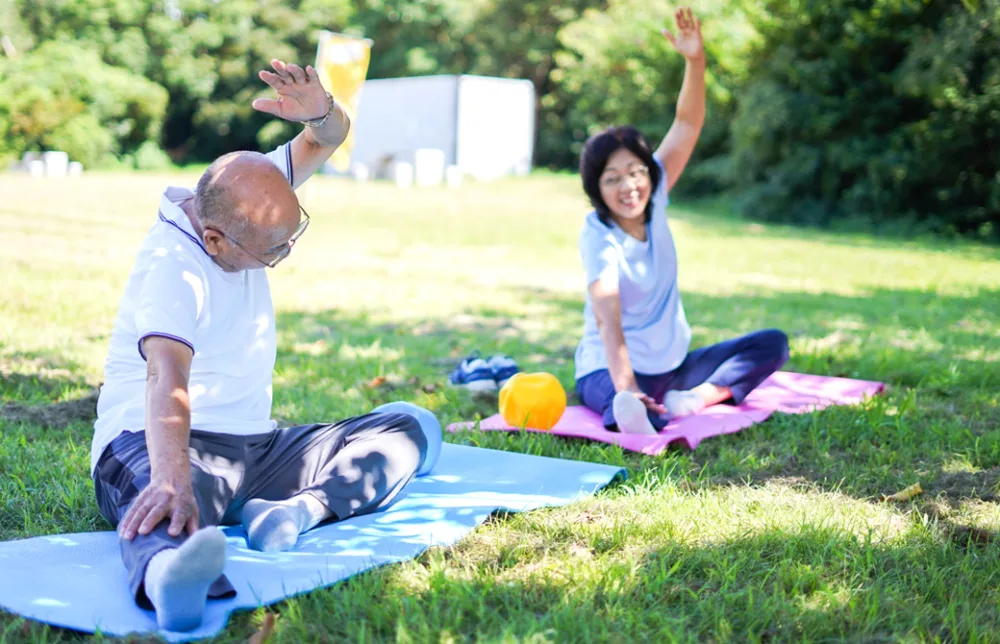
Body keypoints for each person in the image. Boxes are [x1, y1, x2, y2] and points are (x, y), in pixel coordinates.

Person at [91, 58, 438, 632]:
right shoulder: (172, 269)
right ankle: (169, 580)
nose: (285, 254)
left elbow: (326, 139)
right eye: (276, 250)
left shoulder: (246, 194)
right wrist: (173, 477)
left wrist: (322, 113)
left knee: (408, 427)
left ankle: (298, 512)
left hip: (255, 448)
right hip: (159, 440)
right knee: (163, 505)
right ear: (214, 240)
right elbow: (165, 379)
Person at [574, 8, 790, 436]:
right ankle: (639, 407)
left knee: (772, 344)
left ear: (649, 174)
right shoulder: (598, 234)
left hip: (674, 367)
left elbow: (688, 122)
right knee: (631, 413)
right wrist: (628, 387)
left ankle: (695, 400)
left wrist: (695, 61)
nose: (628, 186)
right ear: (596, 188)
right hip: (607, 368)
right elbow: (607, 322)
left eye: (635, 172)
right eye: (612, 178)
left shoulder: (657, 195)